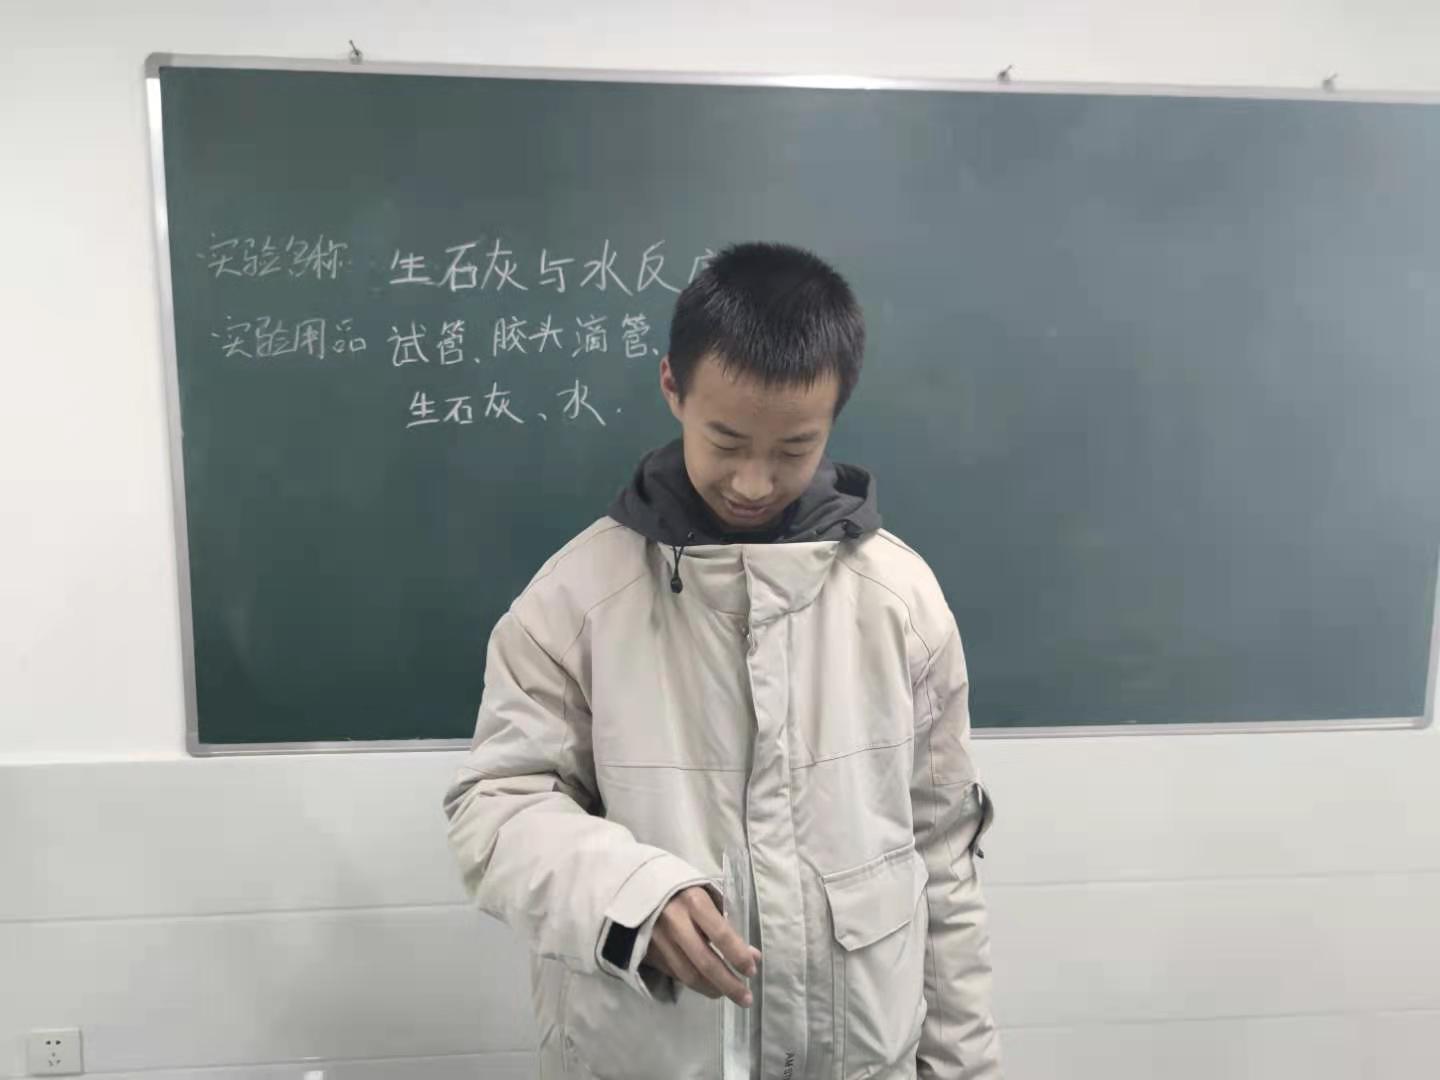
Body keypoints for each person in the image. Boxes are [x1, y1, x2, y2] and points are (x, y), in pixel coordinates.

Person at [444, 241, 1001, 1080]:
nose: (752, 482)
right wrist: (630, 894)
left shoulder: (901, 600)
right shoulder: (575, 600)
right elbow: (494, 811)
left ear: (835, 415)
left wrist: (963, 1070)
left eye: (793, 448)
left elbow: (944, 858)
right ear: (672, 386)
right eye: (727, 440)